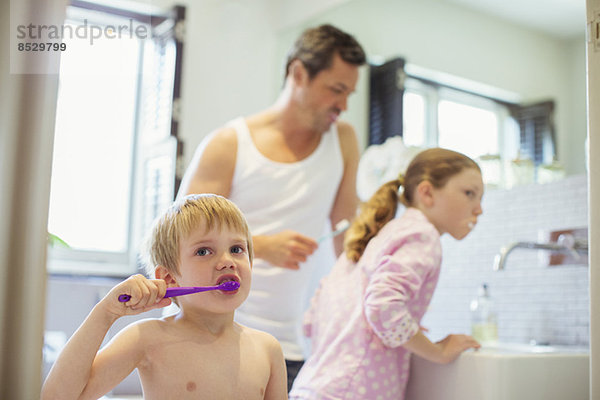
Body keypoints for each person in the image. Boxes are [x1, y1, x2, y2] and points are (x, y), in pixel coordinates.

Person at [177, 24, 366, 390]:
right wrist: (260, 247)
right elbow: (179, 237)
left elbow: (349, 236)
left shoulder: (343, 140)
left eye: (349, 94)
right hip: (212, 336)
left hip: (289, 345)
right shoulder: (230, 144)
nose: (343, 106)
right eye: (336, 90)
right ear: (298, 73)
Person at [41, 194, 288, 400]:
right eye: (204, 251)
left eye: (236, 249)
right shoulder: (147, 338)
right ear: (169, 278)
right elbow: (58, 396)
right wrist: (104, 313)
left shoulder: (268, 349)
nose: (226, 262)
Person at [289, 148, 484, 400]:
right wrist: (438, 351)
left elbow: (312, 319)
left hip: (313, 387)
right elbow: (383, 307)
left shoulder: (376, 239)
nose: (479, 209)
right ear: (426, 193)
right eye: (470, 194)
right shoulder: (422, 235)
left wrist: (403, 330)